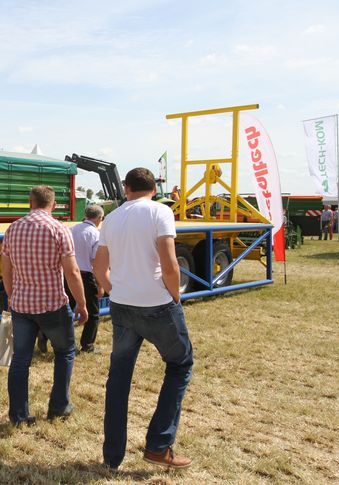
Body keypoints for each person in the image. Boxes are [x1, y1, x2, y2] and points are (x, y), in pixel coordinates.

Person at [94, 167, 193, 470]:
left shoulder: (111, 218)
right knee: (180, 364)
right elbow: (170, 263)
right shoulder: (160, 212)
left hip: (122, 307)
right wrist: (175, 296)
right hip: (157, 305)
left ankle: (112, 457)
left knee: (119, 380)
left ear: (125, 188)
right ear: (154, 188)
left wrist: (115, 289)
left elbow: (98, 268)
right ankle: (158, 446)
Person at [0, 185, 88, 426]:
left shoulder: (13, 229)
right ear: (54, 205)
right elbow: (72, 271)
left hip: (21, 306)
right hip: (52, 305)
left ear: (30, 202)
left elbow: (5, 268)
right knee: (65, 351)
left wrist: (12, 294)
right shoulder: (58, 229)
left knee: (20, 361)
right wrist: (81, 303)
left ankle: (18, 415)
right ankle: (59, 406)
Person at [69, 204, 105, 352]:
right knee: (93, 312)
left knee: (65, 309)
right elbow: (97, 262)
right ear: (99, 218)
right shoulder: (96, 234)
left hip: (69, 274)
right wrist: (101, 284)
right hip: (86, 276)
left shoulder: (71, 229)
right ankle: (87, 344)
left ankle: (47, 336)